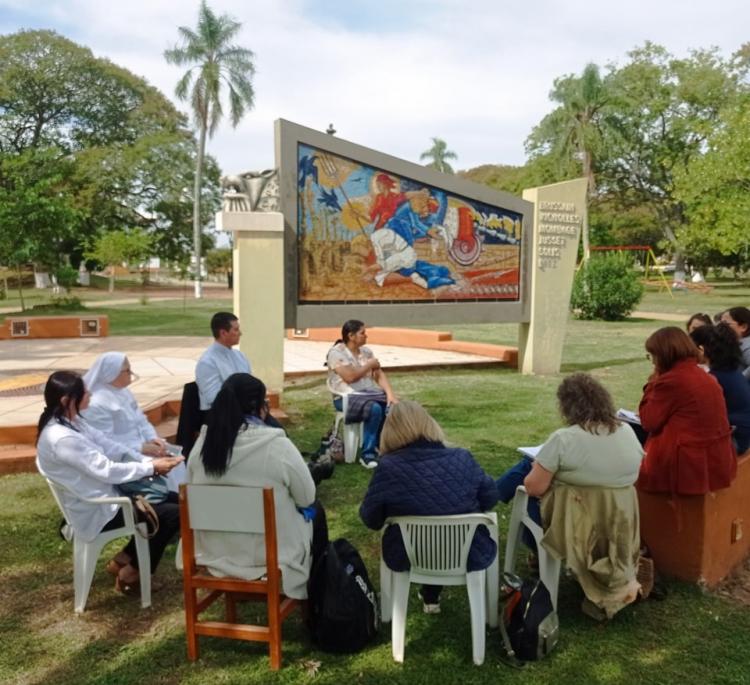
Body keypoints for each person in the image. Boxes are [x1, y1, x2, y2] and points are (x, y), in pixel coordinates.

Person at [36, 371, 183, 593]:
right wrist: (151, 467)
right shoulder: (62, 438)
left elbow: (109, 445)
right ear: (67, 401)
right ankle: (131, 575)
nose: (89, 394)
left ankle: (123, 559)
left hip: (108, 495)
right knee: (174, 514)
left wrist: (148, 460)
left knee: (177, 501)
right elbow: (106, 470)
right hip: (99, 507)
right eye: (83, 392)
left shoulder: (73, 423)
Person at [183, 373, 325, 599]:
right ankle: (318, 596)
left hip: (213, 549)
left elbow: (192, 489)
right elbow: (306, 497)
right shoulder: (276, 445)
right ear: (260, 407)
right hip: (267, 554)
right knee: (316, 512)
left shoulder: (201, 446)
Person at [359, 400, 498, 613]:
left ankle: (426, 597)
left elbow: (370, 518)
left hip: (408, 553)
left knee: (427, 521)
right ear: (428, 424)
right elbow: (490, 498)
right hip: (467, 550)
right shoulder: (463, 458)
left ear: (390, 431)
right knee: (440, 516)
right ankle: (433, 596)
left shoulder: (388, 468)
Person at [638, 326, 737, 495]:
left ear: (664, 354)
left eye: (653, 356)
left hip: (683, 464)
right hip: (714, 456)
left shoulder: (671, 381)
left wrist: (652, 383)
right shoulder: (705, 375)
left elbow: (648, 421)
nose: (653, 362)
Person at [81, 351, 187, 490]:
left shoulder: (123, 391)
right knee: (168, 465)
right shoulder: (96, 403)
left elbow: (141, 420)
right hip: (123, 455)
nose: (131, 373)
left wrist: (153, 438)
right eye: (127, 370)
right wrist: (141, 448)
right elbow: (106, 443)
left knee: (175, 458)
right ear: (112, 374)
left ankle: (185, 501)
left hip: (141, 444)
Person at [326, 320, 397, 468]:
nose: (366, 336)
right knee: (375, 409)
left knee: (392, 406)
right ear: (351, 336)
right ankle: (367, 454)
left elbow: (379, 375)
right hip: (346, 397)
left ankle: (383, 446)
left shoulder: (366, 352)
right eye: (362, 333)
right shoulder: (336, 353)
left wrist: (390, 394)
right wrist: (369, 365)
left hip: (369, 394)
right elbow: (350, 377)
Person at [690, 323, 750, 454]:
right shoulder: (731, 371)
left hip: (735, 441)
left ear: (701, 349)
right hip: (742, 436)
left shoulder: (715, 379)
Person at [195, 312, 251, 411]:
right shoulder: (207, 362)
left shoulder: (240, 356)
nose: (240, 333)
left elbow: (250, 385)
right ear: (223, 333)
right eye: (236, 330)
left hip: (244, 412)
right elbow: (213, 398)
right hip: (221, 418)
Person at [720, 307, 750, 378]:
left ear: (743, 327)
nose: (721, 328)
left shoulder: (746, 346)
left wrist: (740, 379)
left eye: (726, 324)